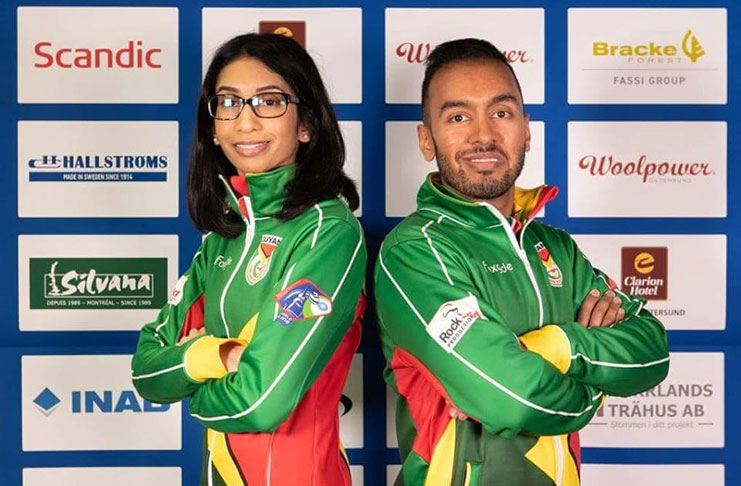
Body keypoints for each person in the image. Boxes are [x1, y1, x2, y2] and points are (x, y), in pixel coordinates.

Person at [374, 38, 669, 486]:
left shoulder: (555, 248)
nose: (483, 135)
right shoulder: (415, 252)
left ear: (526, 129)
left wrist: (557, 347)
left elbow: (651, 352)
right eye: (457, 117)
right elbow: (511, 398)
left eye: (502, 112)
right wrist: (592, 391)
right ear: (425, 140)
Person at [131, 33, 366, 486]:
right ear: (213, 127)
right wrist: (214, 355)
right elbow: (146, 372)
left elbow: (263, 401)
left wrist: (194, 394)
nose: (246, 121)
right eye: (229, 102)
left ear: (307, 125)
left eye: (270, 101)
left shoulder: (328, 233)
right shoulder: (222, 238)